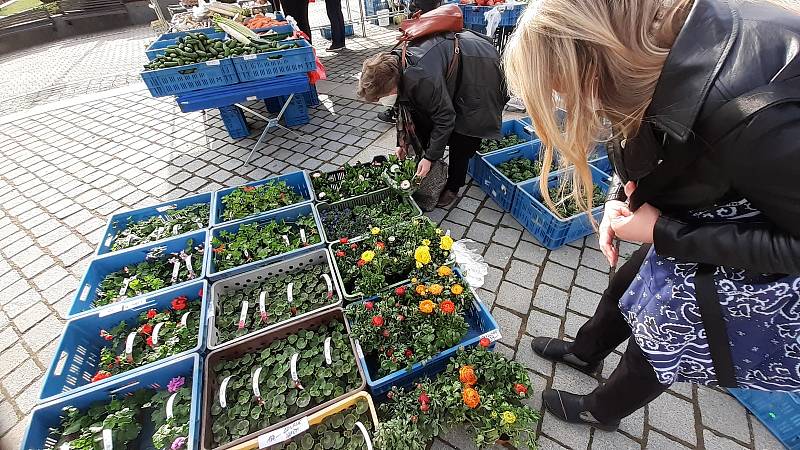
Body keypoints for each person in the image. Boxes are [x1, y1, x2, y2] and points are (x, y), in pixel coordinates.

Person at [503, 0, 800, 431]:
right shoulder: (652, 46)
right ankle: (585, 353)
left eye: (561, 89)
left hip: (761, 257)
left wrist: (664, 231)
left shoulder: (753, 109)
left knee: (661, 335)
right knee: (625, 285)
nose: (566, 103)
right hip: (707, 218)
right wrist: (619, 200)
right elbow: (639, 138)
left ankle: (601, 411)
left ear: (592, 62)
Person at [358, 30, 506, 207]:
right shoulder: (394, 69)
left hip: (480, 68)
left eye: (379, 98)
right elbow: (408, 110)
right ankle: (433, 167)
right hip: (454, 65)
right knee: (427, 121)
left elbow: (445, 117)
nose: (380, 102)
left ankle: (453, 186)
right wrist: (402, 143)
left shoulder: (421, 77)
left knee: (464, 133)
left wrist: (430, 158)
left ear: (392, 89)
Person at [376, 0, 440, 124]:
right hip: (425, 21)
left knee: (409, 70)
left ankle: (401, 111)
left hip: (426, 22)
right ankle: (398, 110)